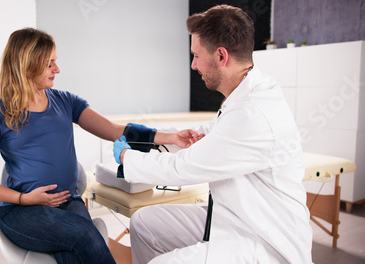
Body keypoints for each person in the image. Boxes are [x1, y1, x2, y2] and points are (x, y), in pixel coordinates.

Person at [0, 27, 199, 264]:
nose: (57, 69)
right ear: (26, 65)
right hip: (22, 211)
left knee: (71, 254)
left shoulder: (66, 101)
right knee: (86, 235)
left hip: (68, 201)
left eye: (55, 61)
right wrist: (26, 199)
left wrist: (171, 137)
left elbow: (115, 130)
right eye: (49, 64)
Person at [113, 5, 313, 264]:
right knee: (143, 222)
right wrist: (170, 138)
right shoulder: (243, 94)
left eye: (196, 55)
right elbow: (211, 135)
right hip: (233, 216)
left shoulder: (253, 111)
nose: (194, 65)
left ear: (221, 56)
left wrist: (127, 158)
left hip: (264, 240)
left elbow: (183, 169)